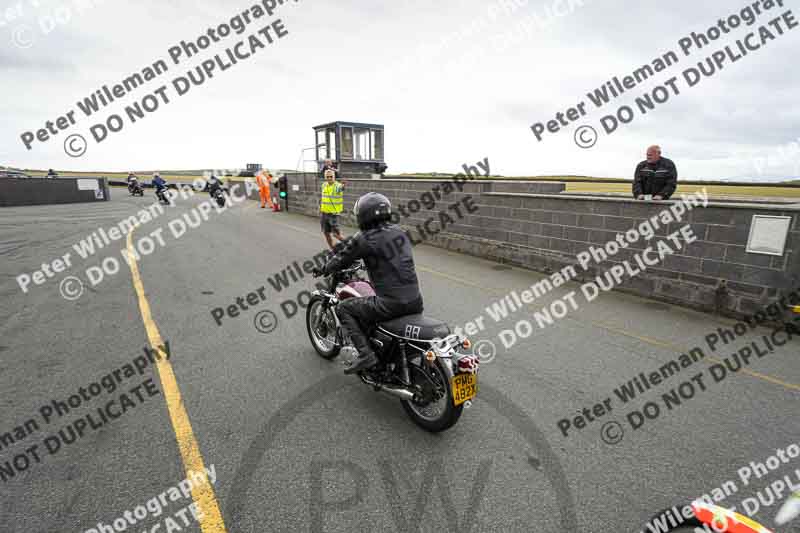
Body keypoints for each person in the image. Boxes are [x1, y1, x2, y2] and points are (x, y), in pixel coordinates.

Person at [312, 192, 424, 374]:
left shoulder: (365, 237)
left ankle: (366, 354)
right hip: (415, 301)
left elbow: (341, 259)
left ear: (363, 215)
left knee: (344, 308)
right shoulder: (400, 232)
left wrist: (324, 269)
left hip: (390, 304)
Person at [320, 169, 345, 249]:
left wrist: (343, 186)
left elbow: (341, 188)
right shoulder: (324, 185)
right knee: (326, 233)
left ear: (334, 177)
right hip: (324, 214)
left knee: (336, 234)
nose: (329, 178)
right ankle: (333, 250)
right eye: (327, 177)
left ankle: (352, 246)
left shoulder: (337, 186)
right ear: (325, 177)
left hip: (333, 214)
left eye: (331, 176)